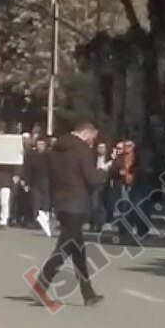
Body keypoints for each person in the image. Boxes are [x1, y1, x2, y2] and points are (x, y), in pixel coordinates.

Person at [32, 120, 107, 307]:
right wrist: (104, 172)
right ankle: (40, 286)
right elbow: (91, 179)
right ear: (86, 133)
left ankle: (88, 292)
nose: (92, 142)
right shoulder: (82, 151)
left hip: (61, 203)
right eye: (92, 138)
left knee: (78, 251)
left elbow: (49, 178)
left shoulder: (55, 150)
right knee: (64, 249)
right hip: (76, 204)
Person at [24, 135, 52, 236]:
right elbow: (28, 170)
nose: (40, 146)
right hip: (35, 182)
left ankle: (45, 221)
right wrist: (26, 182)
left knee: (45, 204)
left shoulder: (49, 156)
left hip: (47, 183)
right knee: (35, 202)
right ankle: (36, 220)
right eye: (38, 144)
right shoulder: (32, 156)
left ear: (45, 145)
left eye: (42, 144)